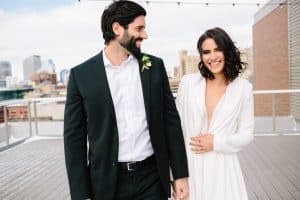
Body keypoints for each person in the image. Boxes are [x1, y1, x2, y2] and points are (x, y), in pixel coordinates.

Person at [63, 1, 189, 200]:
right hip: (107, 182)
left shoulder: (154, 66)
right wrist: (80, 194)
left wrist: (180, 174)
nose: (145, 35)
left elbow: (171, 122)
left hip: (152, 178)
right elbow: (74, 140)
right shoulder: (81, 75)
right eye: (139, 28)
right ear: (116, 28)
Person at [176, 27, 254, 200]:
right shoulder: (187, 84)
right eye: (206, 52)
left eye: (218, 49)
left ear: (227, 51)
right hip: (191, 169)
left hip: (224, 169)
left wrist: (217, 142)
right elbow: (176, 130)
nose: (212, 57)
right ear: (201, 56)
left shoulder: (243, 89)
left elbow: (247, 134)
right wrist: (175, 175)